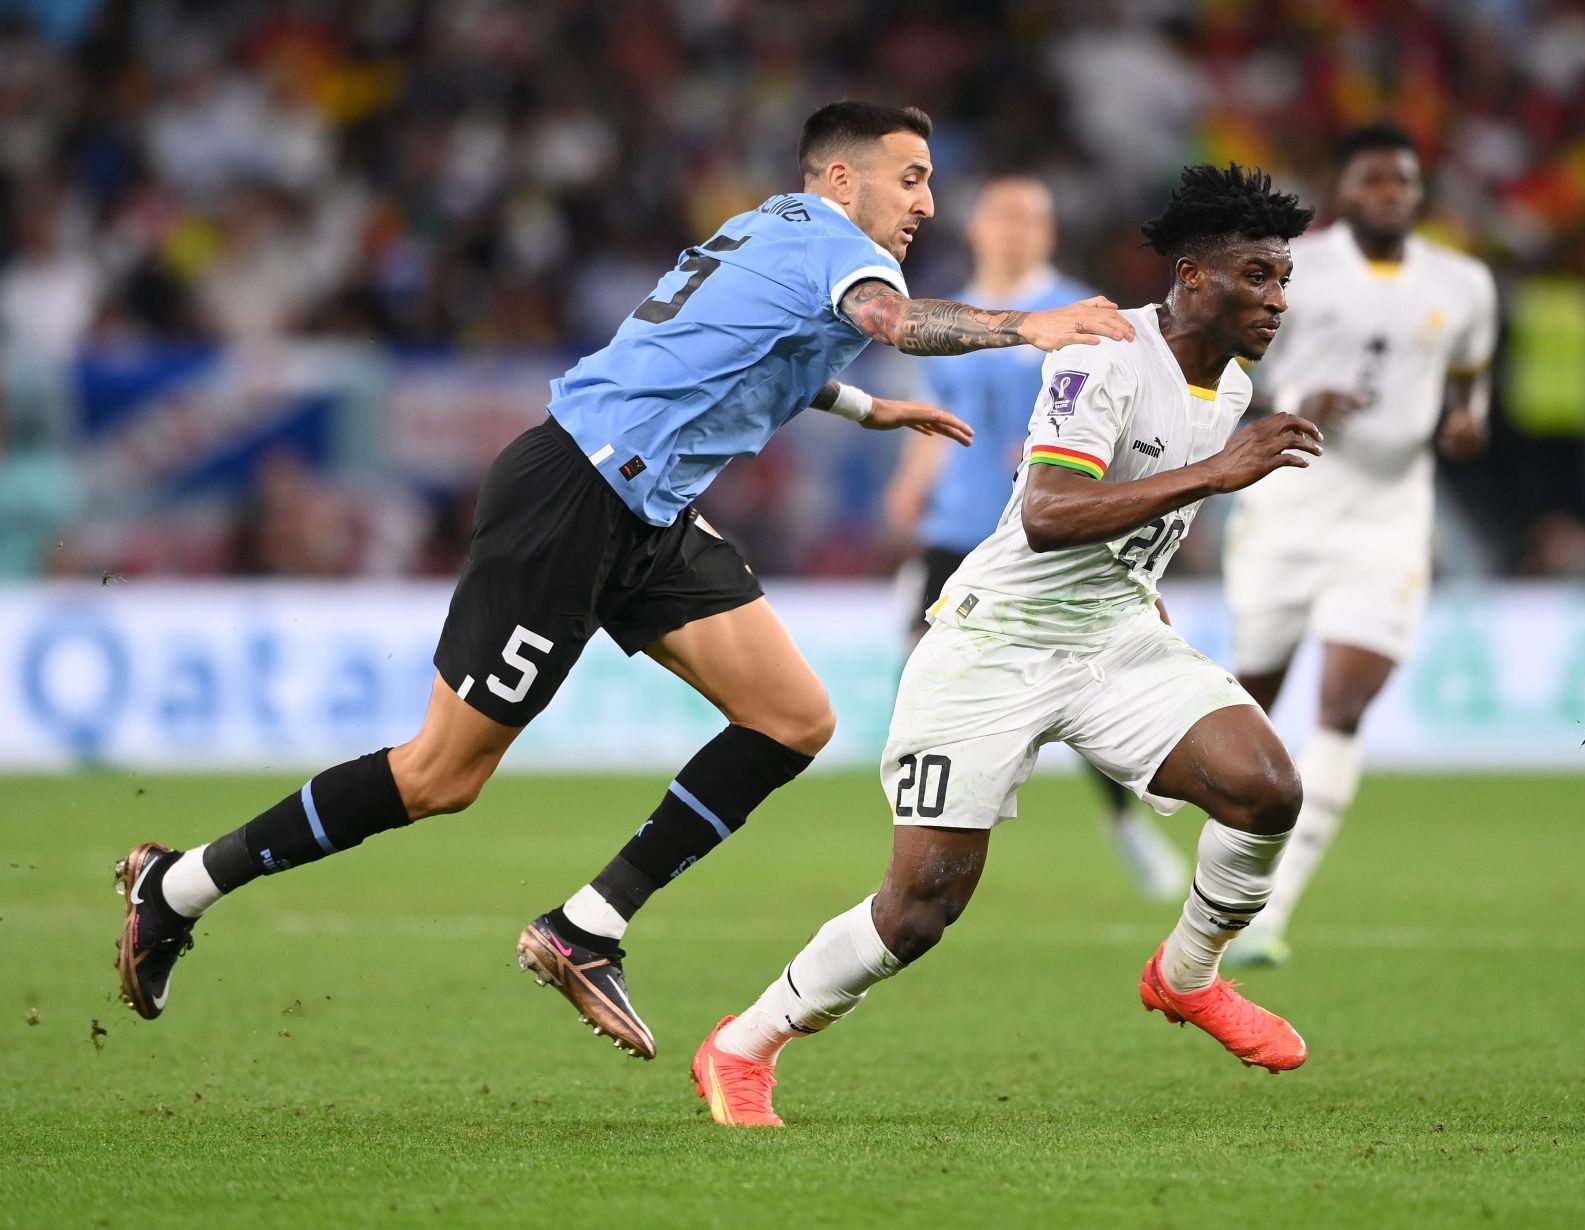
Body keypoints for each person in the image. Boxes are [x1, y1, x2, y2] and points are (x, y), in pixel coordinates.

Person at [113, 102, 1135, 1062]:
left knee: (790, 718)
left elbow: (752, 351)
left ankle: (584, 927)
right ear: (841, 176)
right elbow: (898, 324)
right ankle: (180, 885)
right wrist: (1031, 324)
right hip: (574, 496)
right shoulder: (845, 252)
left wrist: (873, 413)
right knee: (439, 778)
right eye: (910, 180)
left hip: (645, 510)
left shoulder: (772, 231)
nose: (926, 203)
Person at [689, 164, 1324, 1127]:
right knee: (919, 909)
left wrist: (1150, 589)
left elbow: (1136, 524)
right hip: (995, 645)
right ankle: (743, 1045)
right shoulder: (1105, 355)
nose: (1277, 299)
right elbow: (1049, 512)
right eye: (1258, 277)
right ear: (1194, 277)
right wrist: (1221, 475)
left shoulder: (1231, 382)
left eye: (1283, 279)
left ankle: (1188, 975)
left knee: (1267, 787)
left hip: (1113, 637)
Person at [1221, 122, 1498, 967]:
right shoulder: (1295, 268)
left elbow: (1469, 382)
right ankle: (1222, 874)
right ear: (1344, 189)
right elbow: (1240, 368)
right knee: (1247, 709)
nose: (1391, 193)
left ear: (1418, 192)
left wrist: (1467, 424)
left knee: (1342, 706)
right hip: (1290, 506)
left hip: (1389, 515)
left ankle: (1272, 912)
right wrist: (1302, 392)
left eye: (1403, 181)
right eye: (1374, 179)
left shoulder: (1463, 282)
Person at [882, 173, 1189, 900]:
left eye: (1032, 218)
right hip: (958, 522)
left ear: (1048, 234)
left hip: (1047, 531)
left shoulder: (1080, 311)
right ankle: (940, 820)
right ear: (977, 227)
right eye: (1004, 215)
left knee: (1083, 679)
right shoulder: (954, 315)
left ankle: (1122, 823)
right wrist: (909, 484)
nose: (1017, 229)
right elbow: (935, 411)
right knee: (924, 663)